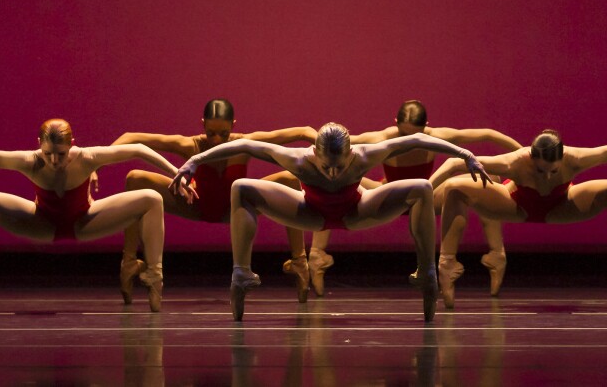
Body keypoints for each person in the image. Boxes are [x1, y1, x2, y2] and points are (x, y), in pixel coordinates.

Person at [168, 122, 493, 322]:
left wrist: (465, 155)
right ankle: (241, 273)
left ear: (351, 152)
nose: (334, 173)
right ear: (314, 153)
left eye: (340, 166)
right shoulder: (297, 158)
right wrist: (194, 161)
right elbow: (245, 145)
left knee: (421, 187)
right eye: (327, 166)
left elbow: (416, 142)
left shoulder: (366, 155)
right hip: (309, 212)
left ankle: (427, 271)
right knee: (241, 188)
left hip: (356, 211)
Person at [0, 118, 192, 313]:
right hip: (41, 223)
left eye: (61, 154)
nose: (54, 161)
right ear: (39, 147)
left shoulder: (87, 157)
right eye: (48, 154)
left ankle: (154, 276)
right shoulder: (29, 160)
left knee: (152, 198)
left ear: (72, 146)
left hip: (85, 222)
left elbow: (138, 149)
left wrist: (177, 174)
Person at [279, 100, 523, 301]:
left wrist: (524, 156)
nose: (409, 141)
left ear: (427, 127)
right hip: (389, 193)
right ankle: (317, 255)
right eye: (404, 134)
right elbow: (337, 148)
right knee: (333, 183)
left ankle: (494, 254)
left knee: (483, 181)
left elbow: (489, 134)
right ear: (395, 125)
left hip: (427, 192)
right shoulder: (382, 137)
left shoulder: (436, 136)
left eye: (415, 135)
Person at [429, 129, 607, 308]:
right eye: (541, 170)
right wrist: (425, 191)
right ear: (532, 157)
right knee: (454, 188)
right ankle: (447, 265)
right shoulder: (515, 162)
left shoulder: (575, 159)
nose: (549, 176)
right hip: (515, 206)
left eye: (554, 171)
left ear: (562, 158)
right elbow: (454, 163)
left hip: (560, 207)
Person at [109, 99, 316, 304]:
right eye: (211, 133)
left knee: (290, 180)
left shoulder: (244, 143)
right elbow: (131, 137)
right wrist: (95, 165)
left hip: (236, 208)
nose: (217, 140)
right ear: (203, 125)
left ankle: (299, 262)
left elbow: (304, 131)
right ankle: (129, 263)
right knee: (135, 178)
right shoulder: (191, 145)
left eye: (224, 134)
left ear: (233, 126)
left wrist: (326, 150)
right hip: (196, 205)